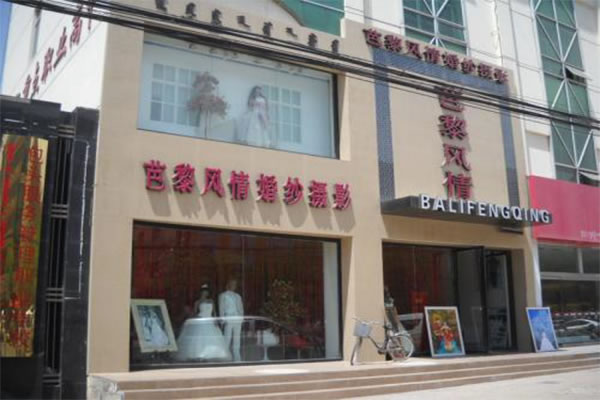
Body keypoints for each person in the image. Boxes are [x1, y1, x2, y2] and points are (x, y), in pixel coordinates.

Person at [175, 284, 231, 361]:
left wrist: (215, 320)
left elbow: (214, 312)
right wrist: (194, 316)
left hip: (210, 320)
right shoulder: (197, 302)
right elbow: (194, 313)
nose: (205, 293)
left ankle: (210, 354)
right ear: (201, 292)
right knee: (199, 339)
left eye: (206, 291)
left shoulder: (211, 301)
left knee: (213, 338)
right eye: (204, 291)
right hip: (201, 319)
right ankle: (199, 355)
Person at [219, 279, 244, 361]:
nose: (234, 286)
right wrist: (223, 320)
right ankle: (226, 357)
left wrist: (242, 318)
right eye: (232, 284)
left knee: (237, 339)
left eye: (235, 284)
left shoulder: (238, 296)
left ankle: (237, 358)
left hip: (237, 319)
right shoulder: (223, 295)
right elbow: (221, 308)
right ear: (229, 284)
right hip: (228, 318)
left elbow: (241, 308)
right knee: (227, 338)